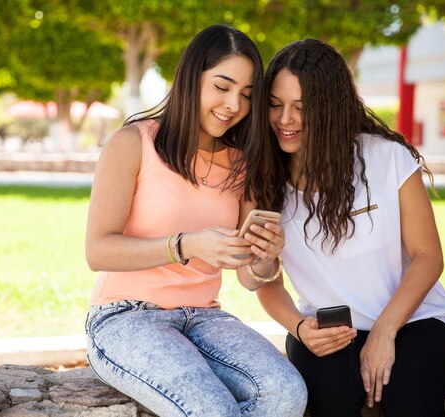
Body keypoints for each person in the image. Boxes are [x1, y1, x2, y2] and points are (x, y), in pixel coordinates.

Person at [84, 25, 307, 417]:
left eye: (247, 95)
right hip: (126, 318)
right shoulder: (134, 143)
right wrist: (186, 245)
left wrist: (265, 258)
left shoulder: (243, 163)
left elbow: (250, 277)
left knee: (287, 394)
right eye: (222, 86)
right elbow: (98, 250)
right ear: (192, 78)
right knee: (212, 410)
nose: (233, 105)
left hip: (207, 317)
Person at [254, 38, 445, 417]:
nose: (285, 120)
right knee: (333, 403)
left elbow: (428, 256)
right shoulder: (264, 179)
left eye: (301, 108)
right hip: (324, 329)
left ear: (331, 108)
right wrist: (301, 329)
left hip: (413, 319)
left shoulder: (386, 157)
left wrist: (384, 332)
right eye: (276, 105)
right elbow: (265, 284)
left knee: (411, 405)